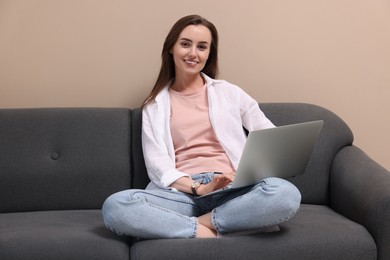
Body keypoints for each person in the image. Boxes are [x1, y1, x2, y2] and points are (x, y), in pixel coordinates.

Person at [102, 14, 301, 239]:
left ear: (209, 53)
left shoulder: (230, 93)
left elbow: (268, 135)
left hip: (232, 190)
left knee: (285, 194)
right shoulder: (154, 105)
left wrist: (254, 168)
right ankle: (226, 226)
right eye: (185, 44)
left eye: (202, 47)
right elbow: (157, 165)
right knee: (116, 206)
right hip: (182, 194)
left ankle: (198, 225)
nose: (193, 54)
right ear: (171, 48)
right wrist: (198, 188)